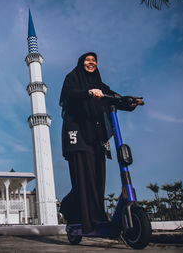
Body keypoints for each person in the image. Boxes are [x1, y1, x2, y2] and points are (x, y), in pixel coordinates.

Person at [59, 52, 142, 234]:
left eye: (94, 61)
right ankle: (80, 216)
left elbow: (113, 96)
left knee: (97, 178)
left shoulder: (100, 85)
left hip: (96, 136)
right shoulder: (72, 79)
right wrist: (87, 93)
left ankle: (97, 218)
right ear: (81, 63)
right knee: (84, 176)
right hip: (78, 134)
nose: (91, 63)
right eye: (88, 60)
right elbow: (69, 95)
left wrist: (129, 102)